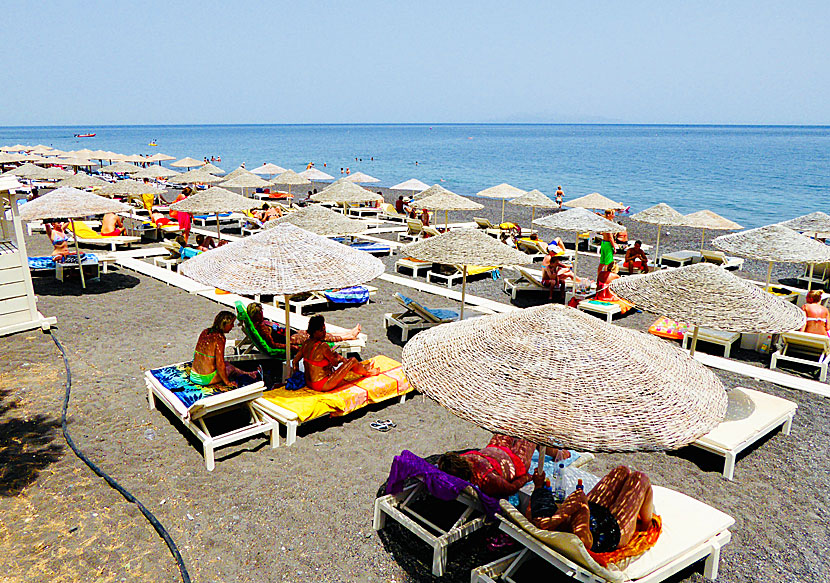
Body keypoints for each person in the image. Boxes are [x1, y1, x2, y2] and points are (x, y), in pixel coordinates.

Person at [526, 465, 654, 553]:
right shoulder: (579, 536)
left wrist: (538, 485)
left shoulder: (539, 516)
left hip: (592, 512)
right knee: (639, 478)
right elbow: (580, 497)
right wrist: (555, 519)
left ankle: (644, 522)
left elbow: (539, 501)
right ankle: (646, 526)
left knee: (622, 471)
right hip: (612, 530)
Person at [437, 435, 554, 498]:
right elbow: (510, 489)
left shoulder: (458, 461)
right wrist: (528, 478)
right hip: (517, 462)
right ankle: (563, 455)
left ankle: (555, 451)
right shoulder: (487, 479)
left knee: (510, 424)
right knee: (531, 434)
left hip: (496, 450)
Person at [290, 315, 379, 392]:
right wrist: (339, 358)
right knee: (352, 360)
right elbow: (335, 363)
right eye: (321, 330)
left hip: (309, 383)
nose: (324, 332)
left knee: (346, 363)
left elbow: (295, 362)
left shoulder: (306, 343)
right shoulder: (323, 346)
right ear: (314, 332)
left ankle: (364, 368)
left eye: (324, 329)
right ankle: (368, 373)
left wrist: (297, 375)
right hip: (322, 385)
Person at [246, 302, 361, 350]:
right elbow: (273, 345)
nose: (262, 313)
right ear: (256, 314)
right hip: (290, 340)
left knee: (314, 331)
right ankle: (349, 336)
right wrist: (292, 348)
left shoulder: (259, 324)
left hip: (290, 335)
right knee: (318, 335)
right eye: (260, 312)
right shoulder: (262, 329)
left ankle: (349, 333)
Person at [191, 311, 260, 388]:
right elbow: (220, 363)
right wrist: (227, 382)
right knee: (230, 368)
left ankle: (246, 373)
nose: (233, 326)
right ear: (224, 324)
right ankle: (248, 374)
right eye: (231, 324)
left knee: (227, 363)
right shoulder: (220, 338)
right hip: (205, 379)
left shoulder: (205, 331)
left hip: (194, 375)